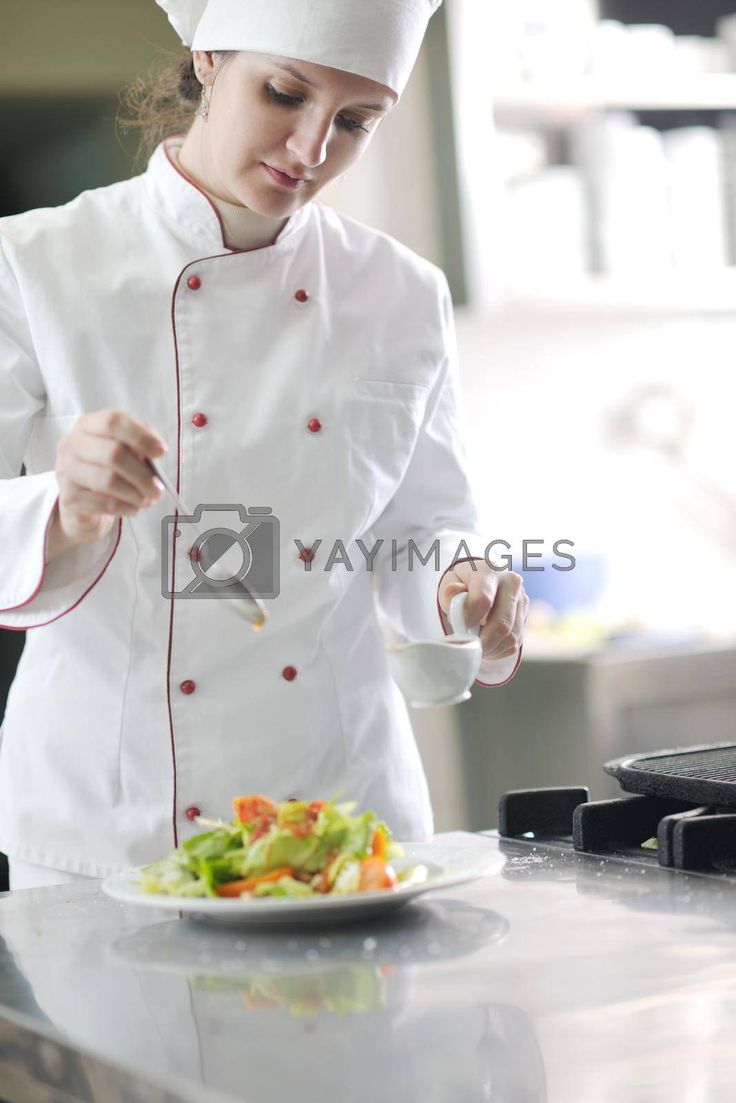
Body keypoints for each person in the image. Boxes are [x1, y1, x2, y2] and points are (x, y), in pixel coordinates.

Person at [0, 0, 528, 890]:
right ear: (208, 59)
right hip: (109, 823)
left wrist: (456, 585)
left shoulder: (399, 292)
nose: (312, 149)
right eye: (285, 93)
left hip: (342, 814)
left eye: (357, 121)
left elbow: (422, 525)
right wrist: (62, 503)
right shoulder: (35, 264)